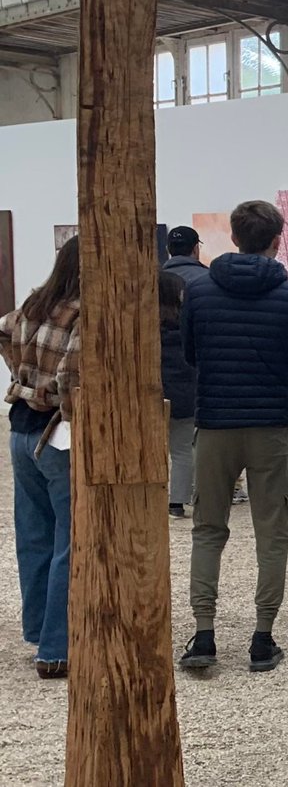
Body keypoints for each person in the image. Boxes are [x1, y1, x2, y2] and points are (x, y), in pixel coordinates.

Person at [178, 201, 288, 674]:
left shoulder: (199, 293)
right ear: (276, 238)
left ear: (233, 238)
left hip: (215, 422)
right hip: (273, 424)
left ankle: (204, 633)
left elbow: (191, 353)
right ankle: (262, 636)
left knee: (208, 529)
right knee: (272, 533)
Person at [0, 237, 81, 680]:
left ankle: (37, 630)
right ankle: (56, 648)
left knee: (34, 536)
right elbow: (71, 376)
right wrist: (57, 399)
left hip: (19, 429)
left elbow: (2, 327)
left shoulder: (35, 303)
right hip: (57, 432)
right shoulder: (83, 311)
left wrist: (22, 377)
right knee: (69, 544)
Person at [164, 225, 246, 506]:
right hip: (199, 375)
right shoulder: (208, 280)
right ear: (195, 248)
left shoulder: (152, 280)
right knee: (192, 441)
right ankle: (201, 493)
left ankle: (158, 497)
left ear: (167, 250)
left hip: (157, 379)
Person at [159, 271, 198, 518]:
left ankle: (150, 495)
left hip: (153, 396)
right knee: (183, 450)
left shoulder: (143, 328)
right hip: (185, 397)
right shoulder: (189, 327)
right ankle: (177, 502)